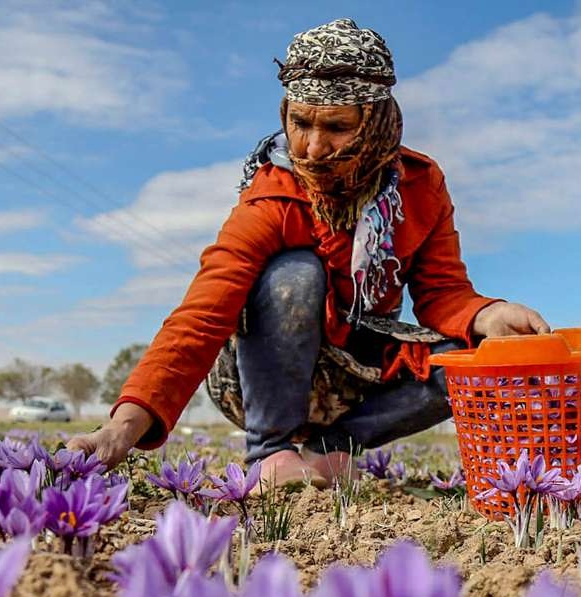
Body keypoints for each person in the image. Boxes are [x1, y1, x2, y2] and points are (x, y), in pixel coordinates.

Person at [69, 18, 548, 488]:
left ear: (375, 122)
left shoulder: (419, 187)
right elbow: (202, 315)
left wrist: (488, 315)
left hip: (360, 372)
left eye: (338, 127)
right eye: (300, 123)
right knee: (294, 274)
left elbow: (442, 293)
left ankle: (333, 446)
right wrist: (124, 426)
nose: (314, 148)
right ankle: (270, 452)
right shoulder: (272, 197)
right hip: (259, 378)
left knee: (480, 355)